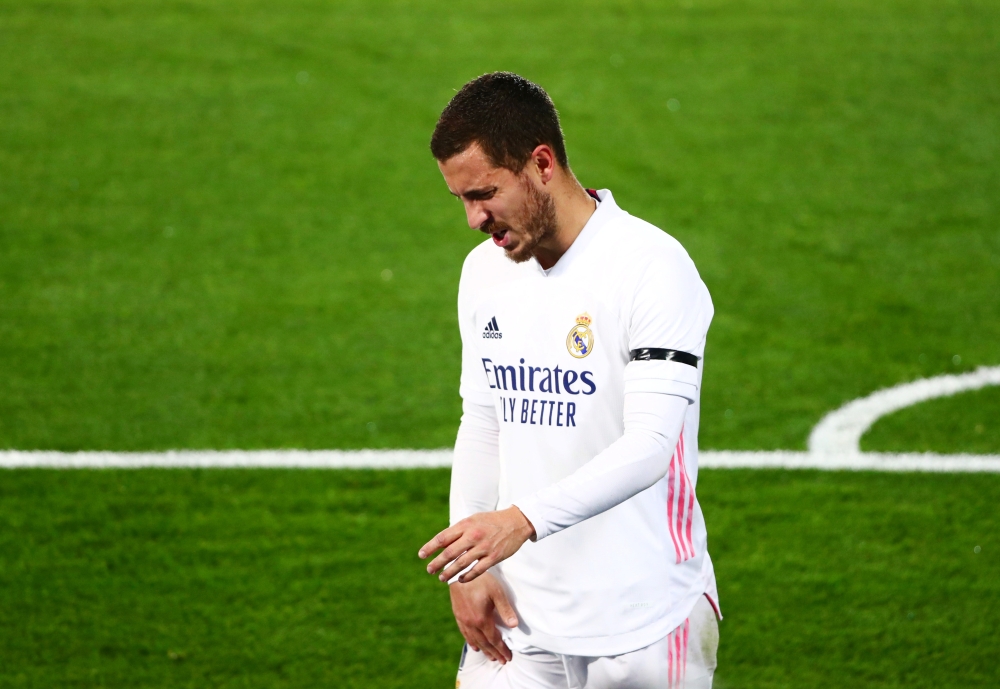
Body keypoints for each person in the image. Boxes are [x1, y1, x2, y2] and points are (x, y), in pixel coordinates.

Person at [418, 72, 720, 689]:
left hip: (641, 619)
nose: (474, 219)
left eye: (485, 193)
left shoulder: (652, 268)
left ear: (541, 162)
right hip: (518, 624)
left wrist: (519, 521)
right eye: (461, 201)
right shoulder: (484, 274)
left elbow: (650, 448)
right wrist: (468, 569)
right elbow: (484, 421)